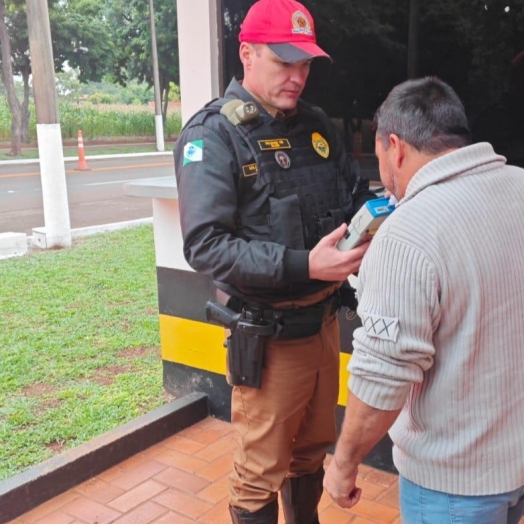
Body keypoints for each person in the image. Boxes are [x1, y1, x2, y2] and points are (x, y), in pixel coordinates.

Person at [173, 0, 376, 521]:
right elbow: (205, 246)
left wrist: (373, 222)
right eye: (284, 62)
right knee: (261, 467)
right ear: (247, 53)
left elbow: (353, 193)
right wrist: (304, 265)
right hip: (270, 338)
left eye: (304, 63)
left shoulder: (315, 125)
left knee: (311, 449)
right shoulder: (212, 136)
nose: (297, 76)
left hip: (324, 321)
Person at [323, 76, 524, 524]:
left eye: (379, 159)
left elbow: (381, 380)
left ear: (395, 147)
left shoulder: (408, 231)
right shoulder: (519, 185)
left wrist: (342, 467)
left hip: (452, 486)